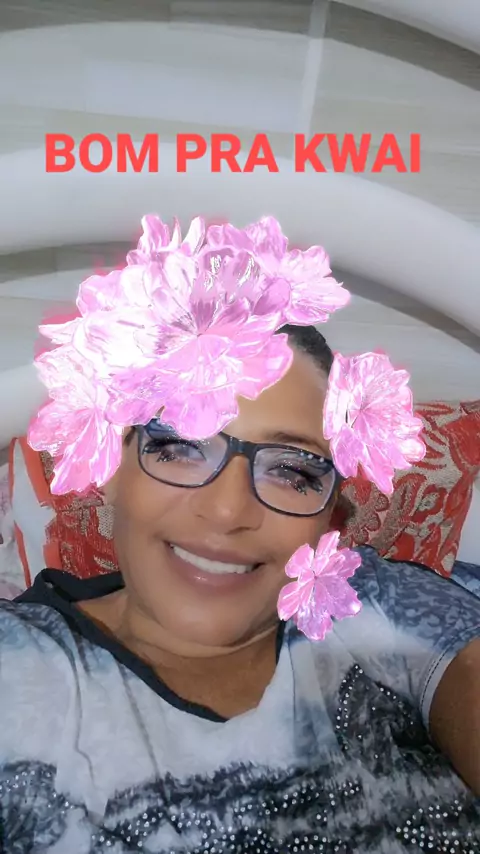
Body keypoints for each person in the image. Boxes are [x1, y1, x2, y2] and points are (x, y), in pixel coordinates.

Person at [0, 323, 479, 853]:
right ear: (111, 464)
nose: (227, 511)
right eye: (180, 446)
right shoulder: (19, 663)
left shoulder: (369, 600)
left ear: (330, 516)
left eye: (292, 472)